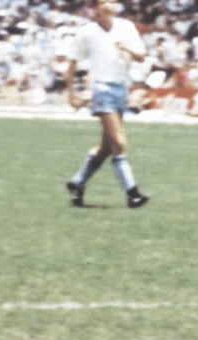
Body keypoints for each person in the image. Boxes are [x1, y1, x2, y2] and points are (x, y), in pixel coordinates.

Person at [64, 0, 150, 209]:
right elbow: (72, 62)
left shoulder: (126, 27)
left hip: (121, 88)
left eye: (113, 1)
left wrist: (126, 48)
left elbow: (141, 56)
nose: (110, 5)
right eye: (105, 2)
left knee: (105, 147)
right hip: (102, 89)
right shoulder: (87, 32)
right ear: (96, 7)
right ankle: (132, 193)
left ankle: (77, 183)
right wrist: (71, 93)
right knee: (119, 143)